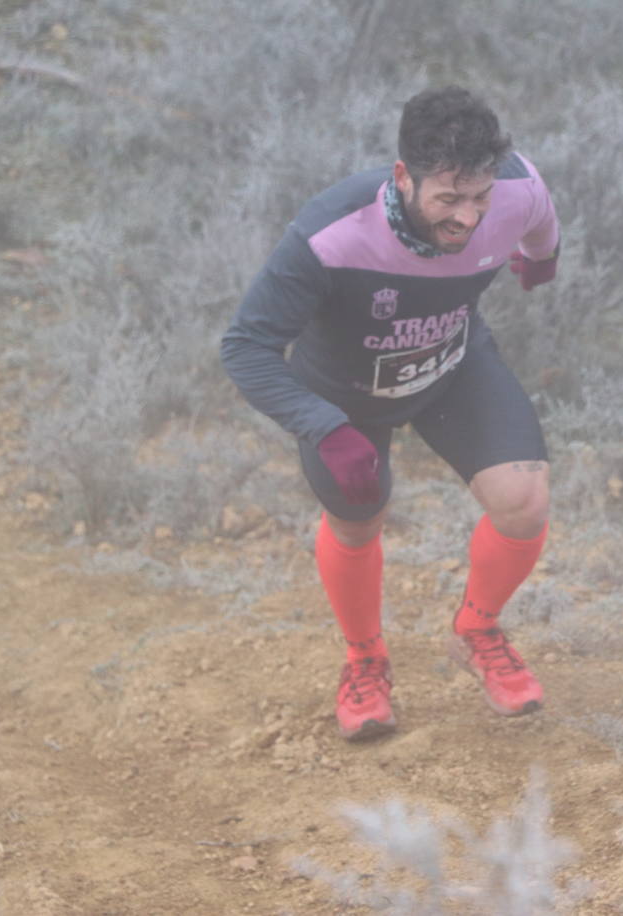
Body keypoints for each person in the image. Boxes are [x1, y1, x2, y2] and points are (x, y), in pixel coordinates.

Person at [221, 86, 560, 741]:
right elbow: (246, 346)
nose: (467, 218)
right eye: (448, 198)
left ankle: (477, 630)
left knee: (525, 499)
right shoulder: (330, 234)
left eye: (480, 198)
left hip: (450, 364)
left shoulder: (514, 191)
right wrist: (321, 424)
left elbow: (540, 217)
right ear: (403, 176)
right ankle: (365, 660)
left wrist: (541, 258)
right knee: (358, 516)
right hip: (343, 397)